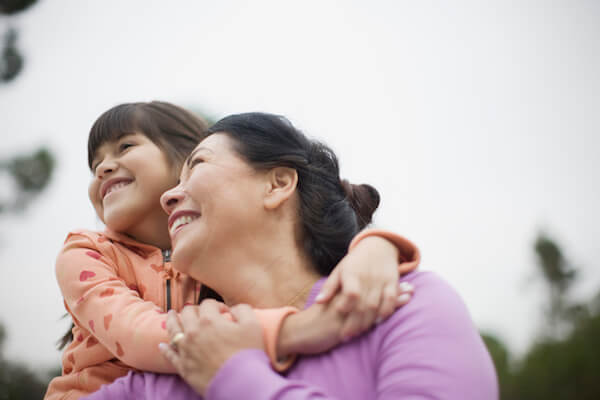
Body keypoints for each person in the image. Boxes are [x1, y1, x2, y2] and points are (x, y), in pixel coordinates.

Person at [84, 112, 498, 399]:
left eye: (199, 166)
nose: (168, 197)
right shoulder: (173, 366)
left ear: (277, 184)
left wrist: (232, 377)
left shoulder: (401, 306)